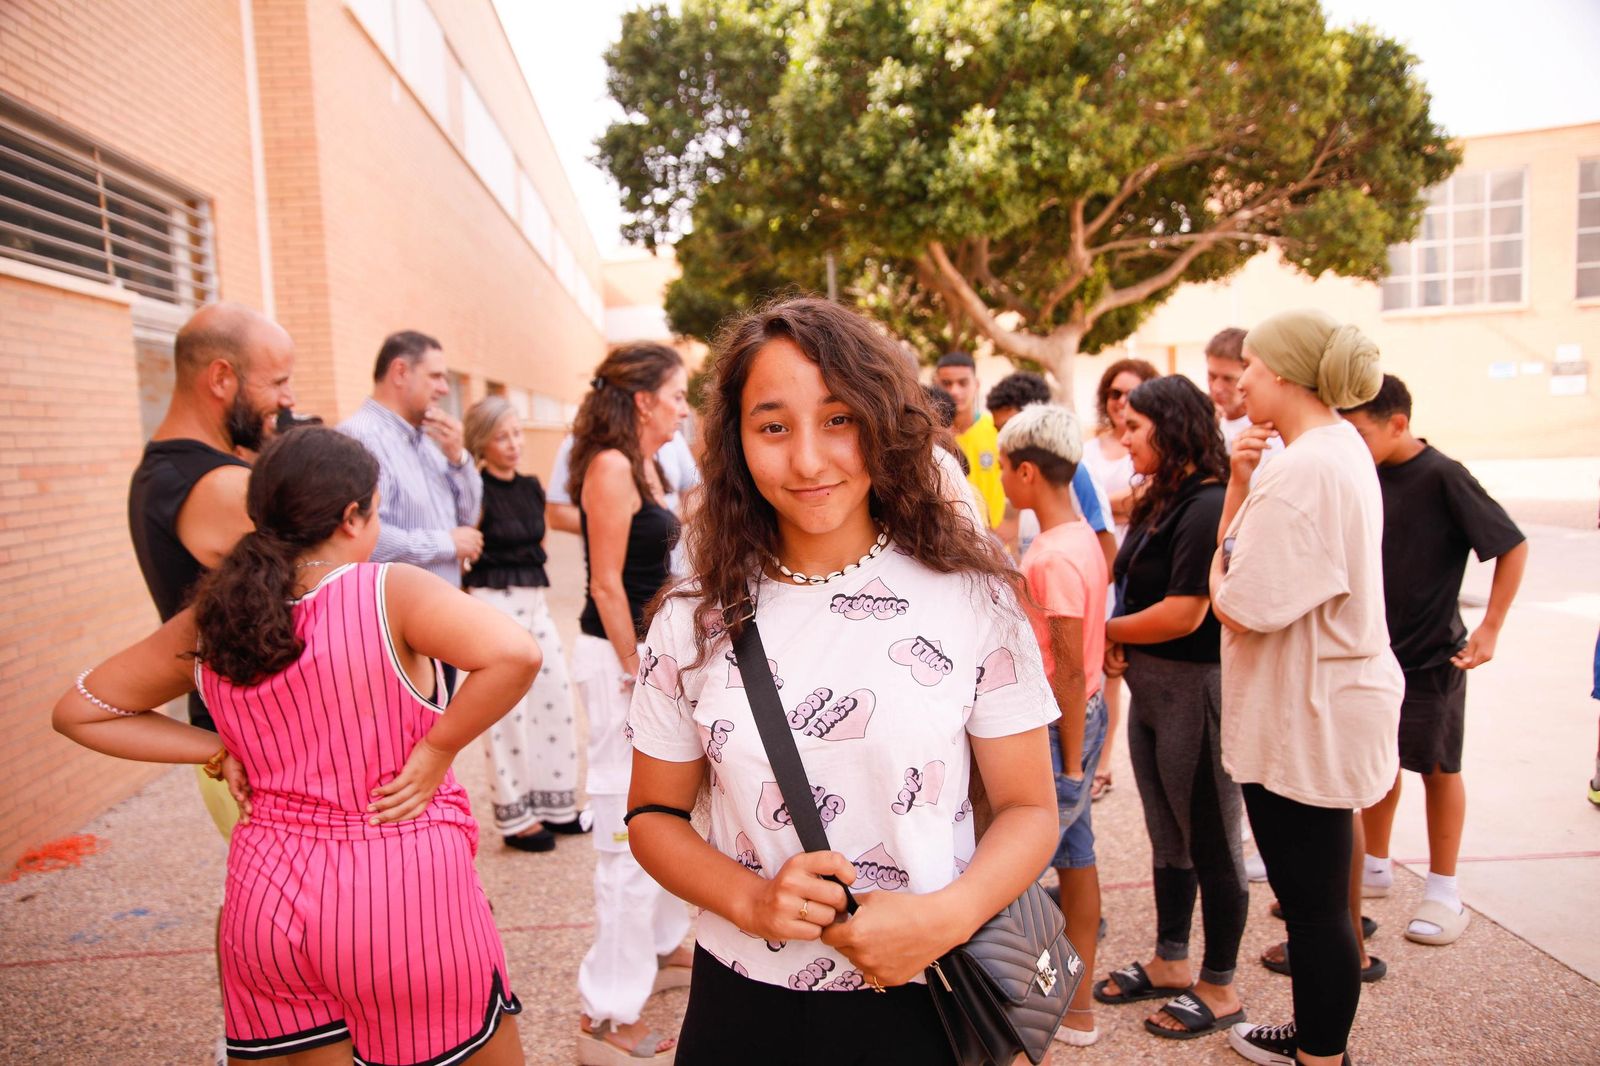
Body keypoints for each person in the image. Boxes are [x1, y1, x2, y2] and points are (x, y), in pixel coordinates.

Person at [624, 297, 1058, 1063]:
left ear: (882, 421)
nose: (809, 461)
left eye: (838, 419)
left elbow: (1028, 808)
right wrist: (750, 900)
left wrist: (945, 917)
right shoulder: (691, 616)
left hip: (929, 996)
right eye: (773, 427)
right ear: (736, 441)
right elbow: (653, 814)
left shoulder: (975, 594)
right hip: (743, 1006)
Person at [59, 427, 538, 1065]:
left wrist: (213, 745)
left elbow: (82, 711)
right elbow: (515, 653)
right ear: (351, 517)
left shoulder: (214, 613)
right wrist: (435, 749)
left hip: (265, 897)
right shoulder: (387, 591)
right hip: (398, 894)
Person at [1210, 309, 1402, 1066]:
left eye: (1250, 366)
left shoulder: (1307, 467)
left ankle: (1323, 1055)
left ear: (1285, 372)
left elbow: (1242, 601)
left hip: (1305, 720)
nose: (1242, 381)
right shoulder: (1332, 450)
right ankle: (1315, 1033)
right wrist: (1239, 491)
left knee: (1316, 910)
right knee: (1319, 900)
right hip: (1321, 707)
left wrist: (1219, 571)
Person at [1341, 374, 1527, 946]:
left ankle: (1445, 889)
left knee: (1438, 768)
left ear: (1399, 424)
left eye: (1361, 432)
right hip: (1372, 655)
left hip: (1431, 656)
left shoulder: (1443, 475)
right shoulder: (1358, 474)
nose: (1352, 444)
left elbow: (1511, 543)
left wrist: (1491, 626)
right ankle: (1374, 864)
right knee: (1377, 766)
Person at [1093, 376, 1248, 1040]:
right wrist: (1124, 637)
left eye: (1134, 427)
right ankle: (1171, 960)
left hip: (1196, 690)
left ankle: (1220, 986)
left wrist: (1104, 633)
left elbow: (1187, 613)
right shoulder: (1164, 498)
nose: (1123, 439)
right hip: (1153, 691)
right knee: (1167, 834)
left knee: (1211, 839)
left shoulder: (1207, 503)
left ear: (1171, 426)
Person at [568, 343, 695, 1063]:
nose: (684, 406)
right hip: (620, 660)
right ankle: (606, 1011)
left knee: (671, 805)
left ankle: (664, 940)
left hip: (651, 656)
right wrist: (633, 668)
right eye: (676, 394)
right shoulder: (611, 467)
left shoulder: (654, 463)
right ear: (644, 399)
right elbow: (606, 584)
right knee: (625, 829)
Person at [128, 301, 296, 832]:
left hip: (234, 737)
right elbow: (329, 582)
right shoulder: (223, 488)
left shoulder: (165, 468)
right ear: (222, 378)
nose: (288, 400)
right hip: (264, 750)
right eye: (278, 382)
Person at [997, 403, 1108, 1048]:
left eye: (1008, 468)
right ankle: (1077, 1007)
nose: (1002, 477)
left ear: (1029, 472)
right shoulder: (1079, 542)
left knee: (1018, 871)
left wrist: (1069, 765)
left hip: (1060, 726)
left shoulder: (1051, 558)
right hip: (1085, 713)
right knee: (1078, 856)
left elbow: (1065, 669)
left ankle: (1035, 1005)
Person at [462, 396, 590, 852]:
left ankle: (556, 805)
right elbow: (467, 552)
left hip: (534, 602)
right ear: (481, 442)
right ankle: (517, 818)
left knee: (555, 699)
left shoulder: (533, 486)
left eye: (517, 433)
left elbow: (538, 540)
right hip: (492, 603)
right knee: (506, 716)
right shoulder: (473, 489)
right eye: (502, 436)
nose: (514, 443)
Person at [338, 330, 483, 588]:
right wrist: (446, 544)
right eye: (436, 376)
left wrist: (458, 459)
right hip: (399, 615)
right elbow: (363, 535)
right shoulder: (362, 439)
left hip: (440, 605)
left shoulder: (427, 442)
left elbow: (468, 520)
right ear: (400, 372)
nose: (444, 389)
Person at [1079, 358, 1159, 801]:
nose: (1121, 402)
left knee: (1121, 669)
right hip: (1094, 570)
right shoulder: (1090, 447)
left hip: (1135, 565)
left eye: (1132, 393)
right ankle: (1095, 760)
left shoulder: (1149, 446)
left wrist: (1101, 507)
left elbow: (1142, 499)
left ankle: (1106, 762)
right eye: (1114, 393)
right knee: (1100, 667)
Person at [985, 370, 1117, 569]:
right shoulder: (1023, 481)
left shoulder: (1076, 472)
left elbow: (1108, 559)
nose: (1001, 438)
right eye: (997, 430)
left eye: (1007, 426)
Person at [934, 350, 1006, 529]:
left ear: (977, 384)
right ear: (936, 384)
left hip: (994, 544)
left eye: (963, 383)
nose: (955, 391)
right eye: (947, 383)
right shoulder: (932, 438)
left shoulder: (997, 430)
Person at [1207, 327, 1284, 471]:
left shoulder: (1271, 437)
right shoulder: (1207, 428)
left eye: (1228, 379)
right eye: (1212, 377)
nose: (1216, 388)